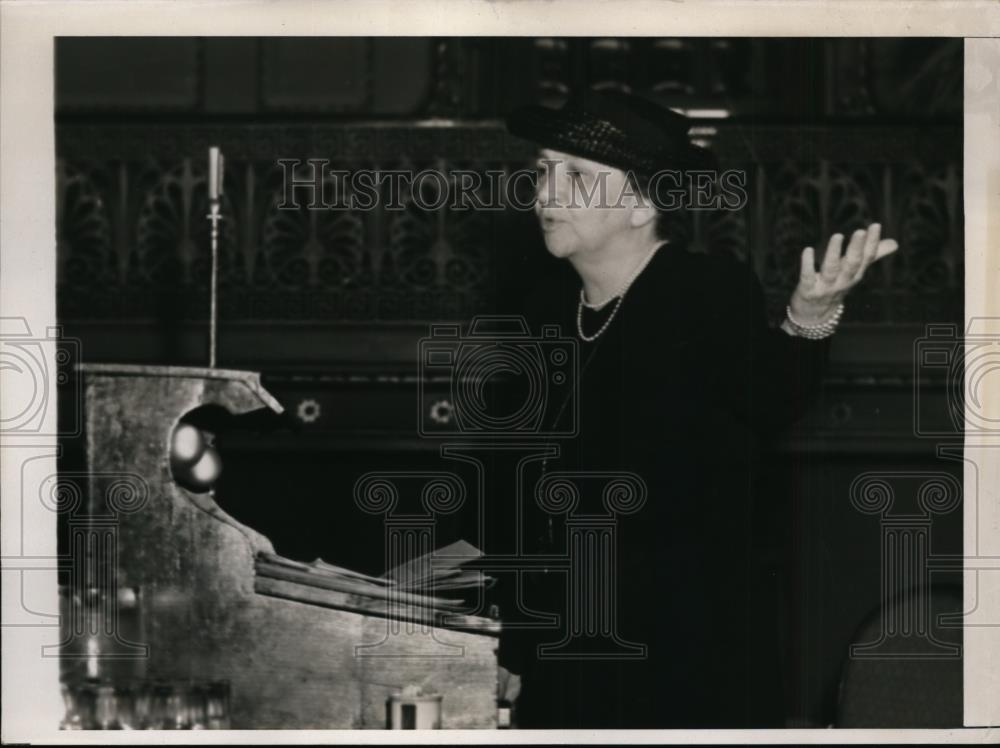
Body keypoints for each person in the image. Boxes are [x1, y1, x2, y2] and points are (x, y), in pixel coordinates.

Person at [495, 90, 899, 729]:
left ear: (643, 206)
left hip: (685, 656)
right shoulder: (541, 308)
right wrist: (514, 643)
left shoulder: (703, 291)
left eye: (577, 176)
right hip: (567, 646)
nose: (546, 193)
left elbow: (773, 397)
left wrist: (809, 316)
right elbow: (526, 495)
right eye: (544, 170)